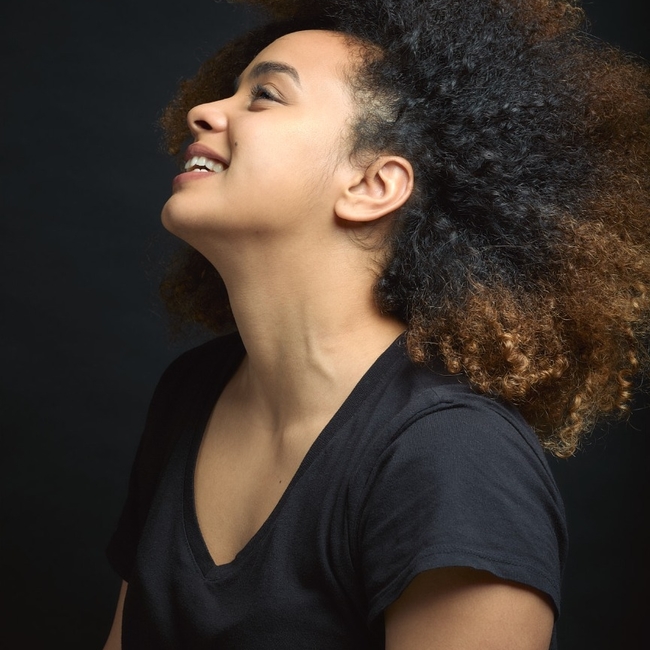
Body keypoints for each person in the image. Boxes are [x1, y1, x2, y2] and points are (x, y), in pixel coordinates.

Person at [102, 1, 650, 648]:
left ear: (373, 185)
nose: (204, 111)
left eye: (265, 96)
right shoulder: (190, 391)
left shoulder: (455, 458)